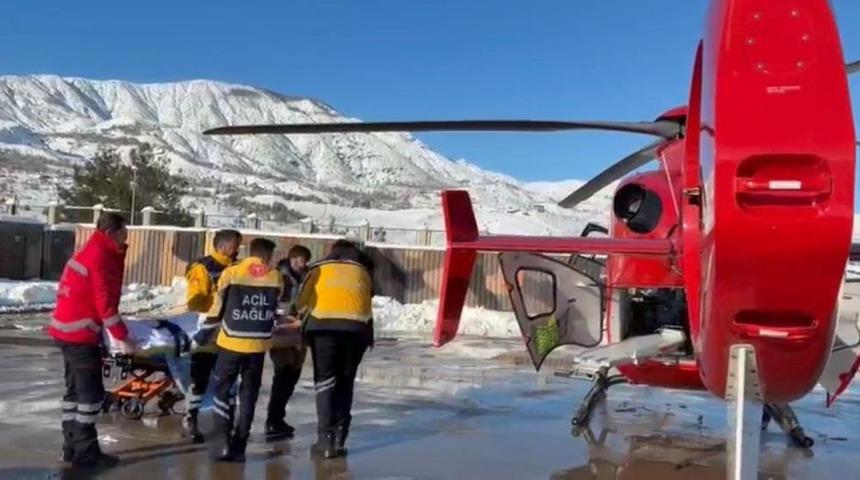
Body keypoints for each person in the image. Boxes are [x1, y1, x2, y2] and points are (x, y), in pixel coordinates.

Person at [49, 213, 136, 468]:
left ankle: (70, 447)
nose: (126, 239)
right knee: (90, 397)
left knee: (74, 393)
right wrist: (124, 338)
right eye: (123, 234)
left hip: (65, 331)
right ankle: (86, 454)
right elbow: (105, 305)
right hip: (80, 335)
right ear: (111, 233)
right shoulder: (100, 257)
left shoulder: (90, 250)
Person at [204, 238, 284, 463]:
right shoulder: (275, 276)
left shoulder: (232, 272)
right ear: (267, 255)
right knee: (249, 394)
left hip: (231, 341)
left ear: (250, 251)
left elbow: (217, 304)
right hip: (258, 345)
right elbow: (276, 303)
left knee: (222, 389)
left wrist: (205, 331)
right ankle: (240, 445)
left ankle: (222, 441)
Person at [296, 238, 375, 459]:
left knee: (325, 382)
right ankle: (340, 437)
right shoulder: (363, 270)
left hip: (324, 329)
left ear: (332, 252)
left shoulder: (318, 268)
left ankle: (325, 440)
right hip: (357, 330)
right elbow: (368, 298)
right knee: (345, 382)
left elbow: (301, 301)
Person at [182, 229, 242, 443]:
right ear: (223, 246)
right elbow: (195, 301)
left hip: (233, 329)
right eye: (236, 245)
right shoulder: (203, 267)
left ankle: (227, 424)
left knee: (230, 379)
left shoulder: (239, 267)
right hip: (209, 327)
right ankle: (190, 419)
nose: (238, 249)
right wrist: (218, 302)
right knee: (200, 376)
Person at [265, 245, 313, 440]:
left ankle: (278, 417)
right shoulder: (279, 276)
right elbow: (271, 302)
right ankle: (273, 419)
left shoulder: (309, 277)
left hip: (300, 331)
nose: (299, 264)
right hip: (282, 330)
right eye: (296, 260)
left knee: (293, 375)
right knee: (282, 373)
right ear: (290, 259)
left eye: (303, 261)